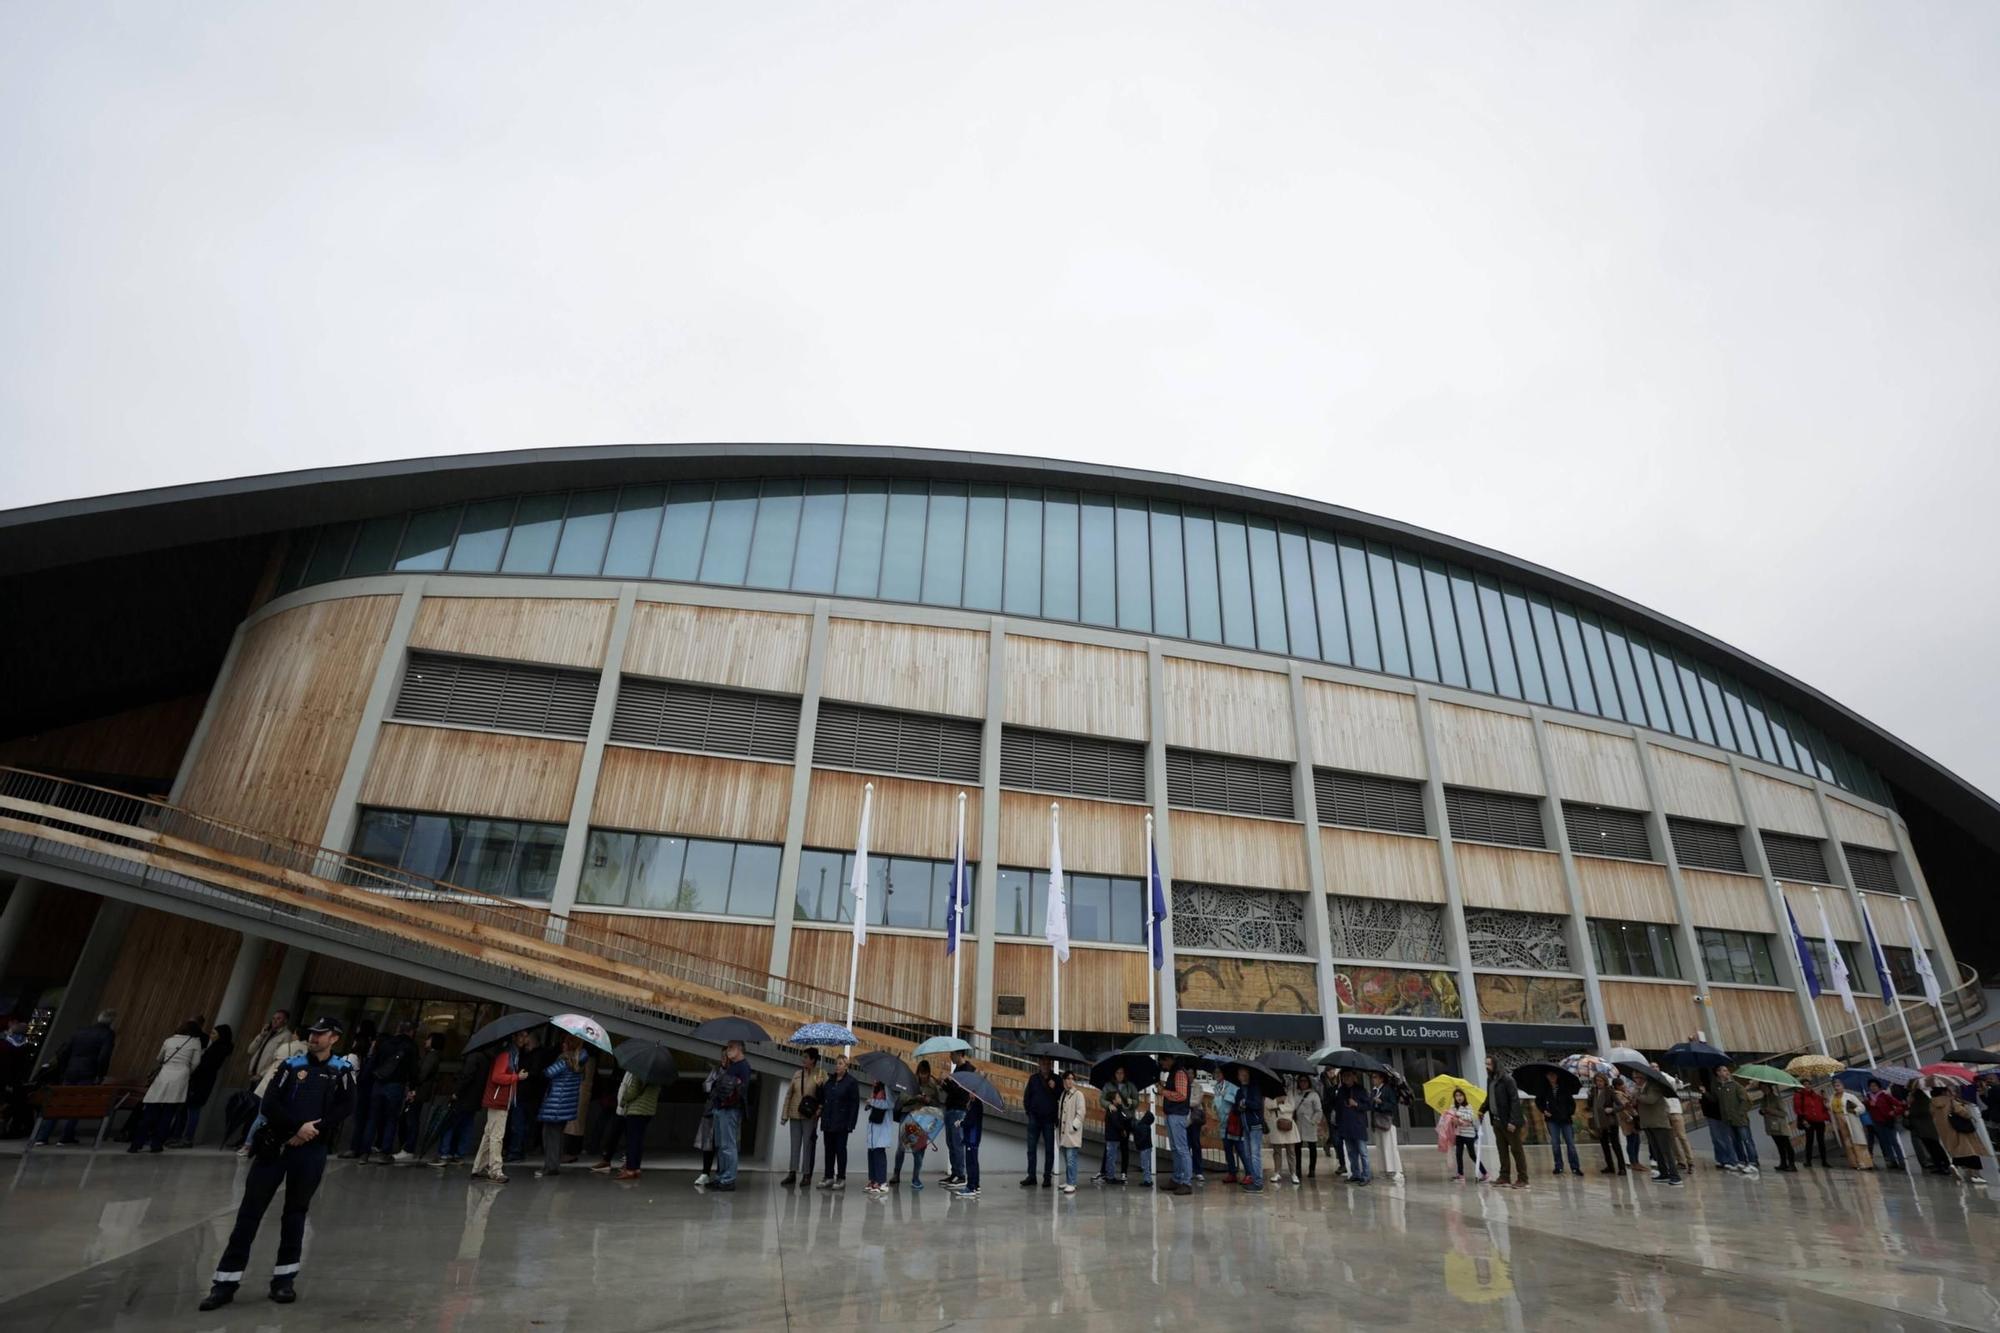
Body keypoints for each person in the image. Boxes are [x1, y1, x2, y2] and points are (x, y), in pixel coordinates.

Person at [198, 1017, 356, 1311]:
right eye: (312, 1032)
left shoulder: (342, 1070)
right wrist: (296, 1128)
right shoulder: (290, 1066)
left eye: (321, 1034)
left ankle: (284, 1280)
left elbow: (345, 1107)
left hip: (311, 1150)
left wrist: (313, 1130)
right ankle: (225, 1283)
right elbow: (269, 1103)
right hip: (276, 1145)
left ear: (334, 1038)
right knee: (249, 1213)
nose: (314, 1037)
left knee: (295, 1213)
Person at [33, 1008, 116, 1145]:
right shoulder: (107, 1034)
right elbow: (104, 1057)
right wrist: (100, 1074)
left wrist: (64, 1068)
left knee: (59, 1102)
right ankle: (66, 1136)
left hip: (71, 1070)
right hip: (88, 1071)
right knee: (78, 1104)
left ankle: (42, 1136)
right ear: (112, 1021)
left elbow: (65, 1051)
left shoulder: (80, 1031)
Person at [130, 1020, 205, 1153]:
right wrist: (187, 1071)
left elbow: (159, 1058)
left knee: (149, 1112)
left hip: (163, 1076)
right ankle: (156, 1144)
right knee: (168, 1113)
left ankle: (136, 1144)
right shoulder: (195, 1042)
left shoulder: (169, 1040)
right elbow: (195, 1062)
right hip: (180, 1077)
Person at [351, 1020, 417, 1164]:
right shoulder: (410, 1047)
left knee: (372, 1118)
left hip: (378, 1084)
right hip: (396, 1085)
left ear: (398, 1029)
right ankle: (384, 1153)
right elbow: (413, 1069)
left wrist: (364, 1080)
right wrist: (412, 1088)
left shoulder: (385, 1043)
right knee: (391, 1119)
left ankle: (364, 1153)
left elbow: (373, 1063)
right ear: (411, 1032)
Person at [236, 1024, 308, 1156]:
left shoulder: (286, 1047)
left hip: (272, 1083)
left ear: (297, 1034)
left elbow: (273, 1059)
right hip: (291, 1088)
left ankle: (248, 1145)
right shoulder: (308, 1052)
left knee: (261, 1116)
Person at [174, 1023, 234, 1147]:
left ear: (221, 1036)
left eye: (213, 1033)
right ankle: (181, 1136)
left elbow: (205, 1067)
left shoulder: (216, 1050)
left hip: (200, 1082)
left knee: (192, 1110)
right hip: (204, 1082)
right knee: (191, 1109)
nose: (211, 1036)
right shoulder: (219, 1048)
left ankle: (186, 1138)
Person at [536, 1035, 587, 1178]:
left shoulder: (564, 1060)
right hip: (567, 1106)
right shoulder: (580, 1062)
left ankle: (550, 1168)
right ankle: (554, 1164)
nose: (562, 1044)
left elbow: (547, 1073)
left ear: (569, 1045)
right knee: (558, 1137)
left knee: (549, 1136)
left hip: (555, 1104)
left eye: (564, 1042)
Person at [707, 1038, 753, 1190]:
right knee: (721, 1145)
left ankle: (728, 1179)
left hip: (730, 1109)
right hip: (721, 1108)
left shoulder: (743, 1066)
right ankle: (721, 1177)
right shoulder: (732, 1065)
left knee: (728, 1145)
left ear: (740, 1048)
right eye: (728, 1047)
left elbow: (741, 1090)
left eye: (731, 1047)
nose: (728, 1049)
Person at [432, 1048, 487, 1166]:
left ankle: (444, 1154)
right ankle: (459, 1155)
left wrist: (456, 1091)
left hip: (464, 1098)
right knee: (466, 1127)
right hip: (475, 1100)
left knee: (449, 1125)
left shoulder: (473, 1057)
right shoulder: (485, 1059)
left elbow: (467, 1076)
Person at [780, 1047, 826, 1187]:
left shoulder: (821, 1074)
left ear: (812, 1059)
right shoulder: (797, 1074)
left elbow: (825, 1096)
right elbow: (789, 1095)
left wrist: (820, 1108)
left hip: (809, 1116)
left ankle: (806, 1174)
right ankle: (792, 1172)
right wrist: (784, 1114)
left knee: (807, 1145)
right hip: (795, 1113)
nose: (803, 1059)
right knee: (795, 1145)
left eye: (806, 1057)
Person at [892, 1059, 942, 1186]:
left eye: (926, 1074)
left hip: (923, 1119)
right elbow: (902, 1098)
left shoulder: (932, 1086)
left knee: (919, 1149)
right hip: (908, 1114)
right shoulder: (910, 1081)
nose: (923, 1077)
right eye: (921, 1073)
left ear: (929, 1073)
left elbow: (938, 1104)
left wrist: (929, 1100)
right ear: (918, 1072)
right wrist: (916, 1097)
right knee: (901, 1146)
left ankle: (916, 1178)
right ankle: (896, 1174)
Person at [398, 1032, 445, 1163]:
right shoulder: (433, 1056)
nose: (426, 1041)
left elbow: (422, 1074)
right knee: (411, 1118)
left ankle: (408, 1148)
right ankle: (407, 1147)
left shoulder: (431, 1056)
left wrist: (413, 1089)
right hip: (421, 1091)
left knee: (412, 1119)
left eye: (429, 1039)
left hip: (419, 1091)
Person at [610, 1066, 660, 1181]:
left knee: (632, 1141)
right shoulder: (658, 1073)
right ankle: (636, 1168)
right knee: (638, 1140)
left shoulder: (641, 1070)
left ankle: (630, 1169)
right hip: (648, 1111)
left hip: (636, 1110)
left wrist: (623, 1100)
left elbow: (633, 1091)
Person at [1484, 1055, 1527, 1189]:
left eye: (1489, 1064)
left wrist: (1513, 1121)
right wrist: (1481, 1110)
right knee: (1502, 1150)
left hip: (1509, 1122)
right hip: (1496, 1121)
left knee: (1516, 1150)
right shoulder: (1490, 1080)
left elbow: (1514, 1101)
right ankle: (1504, 1176)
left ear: (1496, 1065)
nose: (1487, 1067)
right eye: (1486, 1064)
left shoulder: (1507, 1080)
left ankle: (1523, 1178)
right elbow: (1489, 1098)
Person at [818, 1053, 859, 1190]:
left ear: (846, 1067)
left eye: (841, 1063)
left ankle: (841, 1178)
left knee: (840, 1150)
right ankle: (828, 1176)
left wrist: (851, 1123)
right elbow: (823, 1098)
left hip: (842, 1122)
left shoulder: (851, 1082)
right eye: (837, 1063)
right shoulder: (829, 1080)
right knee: (828, 1150)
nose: (837, 1066)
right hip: (828, 1121)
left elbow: (854, 1104)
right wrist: (819, 1086)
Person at [1931, 1084, 1988, 1180]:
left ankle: (1955, 1166)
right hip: (1959, 1129)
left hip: (1945, 1131)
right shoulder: (1951, 1101)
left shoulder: (1932, 1104)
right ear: (1944, 1092)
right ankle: (1975, 1175)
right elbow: (1964, 1113)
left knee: (1958, 1151)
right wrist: (1965, 1107)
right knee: (1970, 1151)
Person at [1636, 1074, 1683, 1186]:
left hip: (1659, 1123)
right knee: (1657, 1150)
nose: (1636, 1080)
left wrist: (1637, 1095)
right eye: (1634, 1078)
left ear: (1643, 1078)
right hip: (1648, 1123)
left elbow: (1650, 1100)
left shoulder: (1654, 1087)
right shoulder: (1641, 1089)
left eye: (1637, 1077)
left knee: (1666, 1150)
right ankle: (1663, 1173)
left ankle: (1675, 1175)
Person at [1099, 1065, 1142, 1184]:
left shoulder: (1130, 1086)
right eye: (1117, 1073)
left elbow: (1137, 1101)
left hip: (1126, 1118)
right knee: (1109, 1146)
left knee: (1124, 1146)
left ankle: (1124, 1172)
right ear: (1114, 1074)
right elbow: (1102, 1099)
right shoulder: (1108, 1085)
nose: (1120, 1075)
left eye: (1122, 1073)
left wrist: (1131, 1101)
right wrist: (1109, 1105)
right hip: (1114, 1118)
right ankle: (1105, 1172)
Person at [1534, 1070, 1582, 1176]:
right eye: (1549, 1075)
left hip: (1566, 1120)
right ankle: (1558, 1166)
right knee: (1555, 1144)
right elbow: (1538, 1102)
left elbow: (1572, 1104)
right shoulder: (1544, 1089)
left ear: (1557, 1076)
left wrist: (1567, 1113)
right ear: (1546, 1076)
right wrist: (1544, 1111)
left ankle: (1575, 1167)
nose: (1552, 1077)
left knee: (1570, 1144)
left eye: (1553, 1075)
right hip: (1552, 1120)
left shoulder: (1564, 1088)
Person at [1022, 1055, 1059, 1188]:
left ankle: (1047, 1177)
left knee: (1049, 1149)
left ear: (1051, 1065)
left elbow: (1060, 1096)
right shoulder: (1033, 1079)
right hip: (1034, 1119)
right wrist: (1029, 1112)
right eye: (1043, 1063)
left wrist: (1055, 1088)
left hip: (1049, 1119)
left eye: (1048, 1064)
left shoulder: (1056, 1079)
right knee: (1031, 1149)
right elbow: (1027, 1097)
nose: (1045, 1066)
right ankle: (1031, 1176)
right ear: (1039, 1065)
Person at [1161, 1053, 1195, 1195]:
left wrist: (1164, 1092)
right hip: (1171, 1114)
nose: (1162, 1065)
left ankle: (1186, 1182)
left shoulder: (1180, 1073)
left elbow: (1181, 1095)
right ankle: (1177, 1178)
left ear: (1169, 1060)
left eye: (1162, 1062)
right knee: (1175, 1148)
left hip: (1178, 1114)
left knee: (1182, 1149)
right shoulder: (1173, 1073)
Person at [1713, 1066, 1758, 1175]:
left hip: (1740, 1119)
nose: (1723, 1073)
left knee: (1746, 1140)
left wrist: (1740, 1113)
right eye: (1720, 1071)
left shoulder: (1736, 1086)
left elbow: (1746, 1101)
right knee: (1736, 1141)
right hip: (1729, 1120)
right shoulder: (1720, 1088)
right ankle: (1741, 1160)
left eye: (1725, 1070)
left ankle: (1752, 1162)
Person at [1331, 1069, 1371, 1185]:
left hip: (1358, 1125)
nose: (1346, 1078)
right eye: (1344, 1076)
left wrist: (1356, 1104)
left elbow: (1368, 1105)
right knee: (1351, 1152)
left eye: (1348, 1076)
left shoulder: (1360, 1090)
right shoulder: (1341, 1090)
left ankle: (1366, 1175)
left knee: (1363, 1152)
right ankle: (1355, 1174)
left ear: (1353, 1077)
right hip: (1345, 1125)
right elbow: (1337, 1107)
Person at [952, 1061, 984, 1199]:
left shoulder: (976, 1104)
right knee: (973, 1161)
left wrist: (961, 1123)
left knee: (971, 1162)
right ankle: (975, 1185)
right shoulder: (973, 1103)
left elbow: (971, 1121)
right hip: (972, 1137)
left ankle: (971, 1186)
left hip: (972, 1137)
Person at [1234, 1066, 1267, 1192]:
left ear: (1248, 1075)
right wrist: (1239, 1107)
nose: (1242, 1076)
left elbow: (1257, 1104)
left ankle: (1258, 1182)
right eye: (1240, 1074)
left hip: (1255, 1125)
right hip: (1245, 1126)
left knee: (1255, 1154)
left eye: (1244, 1074)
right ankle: (1253, 1179)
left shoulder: (1255, 1088)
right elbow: (1236, 1108)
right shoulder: (1239, 1091)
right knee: (1247, 1155)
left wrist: (1246, 1103)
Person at [1863, 1079, 1908, 1171]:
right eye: (1871, 1086)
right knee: (1885, 1143)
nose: (1873, 1087)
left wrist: (1894, 1112)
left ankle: (1901, 1161)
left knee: (1894, 1142)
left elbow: (1900, 1105)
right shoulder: (1868, 1098)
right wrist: (1867, 1103)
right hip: (1877, 1123)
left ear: (1879, 1086)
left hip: (1888, 1121)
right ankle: (1892, 1161)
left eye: (1875, 1085)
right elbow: (1865, 1109)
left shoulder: (1885, 1095)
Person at [1904, 1084, 1950, 1175]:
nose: (1909, 1096)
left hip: (1927, 1128)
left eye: (1910, 1093)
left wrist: (1909, 1112)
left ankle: (1944, 1165)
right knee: (1931, 1148)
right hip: (1923, 1129)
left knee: (1935, 1147)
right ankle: (1939, 1165)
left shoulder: (1921, 1101)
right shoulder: (1916, 1101)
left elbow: (1921, 1112)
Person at [940, 1053, 971, 1187]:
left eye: (953, 1054)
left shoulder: (968, 1070)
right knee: (950, 1142)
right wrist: (943, 1083)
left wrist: (947, 1079)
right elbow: (952, 1090)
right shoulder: (957, 1070)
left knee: (957, 1143)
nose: (950, 1056)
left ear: (960, 1054)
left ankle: (961, 1175)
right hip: (950, 1109)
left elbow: (960, 1090)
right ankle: (954, 1173)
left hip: (959, 1110)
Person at [1056, 1068, 1087, 1194]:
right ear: (1064, 1080)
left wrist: (1074, 1126)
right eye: (1068, 1078)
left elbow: (1081, 1113)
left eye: (1072, 1079)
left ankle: (1072, 1183)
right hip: (1063, 1134)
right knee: (1067, 1159)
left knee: (1071, 1159)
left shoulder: (1078, 1094)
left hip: (1071, 1134)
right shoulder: (1063, 1094)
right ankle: (1068, 1181)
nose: (1070, 1081)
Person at [1369, 1070, 1403, 1184]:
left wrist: (1380, 1103)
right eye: (1372, 1077)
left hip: (1387, 1121)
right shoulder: (1374, 1091)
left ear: (1381, 1079)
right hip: (1377, 1121)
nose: (1373, 1079)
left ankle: (1395, 1170)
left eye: (1375, 1077)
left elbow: (1392, 1105)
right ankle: (1383, 1170)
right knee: (1380, 1147)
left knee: (1390, 1146)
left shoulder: (1388, 1090)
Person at [1661, 1068, 1697, 1175]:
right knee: (1672, 1139)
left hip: (1675, 1111)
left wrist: (1676, 1081)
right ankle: (1680, 1161)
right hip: (1664, 1114)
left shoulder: (1666, 1077)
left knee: (1682, 1136)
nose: (1654, 1068)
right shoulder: (1654, 1083)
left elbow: (1678, 1084)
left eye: (1656, 1067)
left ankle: (1690, 1162)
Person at [1589, 1072, 1625, 1176]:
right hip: (1599, 1122)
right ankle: (1610, 1166)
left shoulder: (1610, 1091)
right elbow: (1590, 1105)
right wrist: (1590, 1096)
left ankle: (1622, 1167)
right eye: (1597, 1081)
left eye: (1600, 1081)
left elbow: (1621, 1105)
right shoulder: (1594, 1091)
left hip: (1610, 1122)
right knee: (1604, 1145)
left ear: (1605, 1081)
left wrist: (1612, 1109)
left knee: (1615, 1144)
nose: (1599, 1083)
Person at [1267, 1079, 1301, 1185]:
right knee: (1277, 1150)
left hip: (1288, 1123)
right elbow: (1268, 1105)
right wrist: (1277, 1101)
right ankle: (1277, 1172)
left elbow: (1292, 1106)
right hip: (1275, 1123)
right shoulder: (1270, 1092)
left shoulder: (1290, 1092)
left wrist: (1279, 1107)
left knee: (1291, 1150)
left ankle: (1293, 1173)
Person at [1444, 1088, 1482, 1182]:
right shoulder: (1453, 1107)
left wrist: (1458, 1114)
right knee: (1458, 1154)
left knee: (1472, 1155)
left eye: (1460, 1095)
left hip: (1469, 1135)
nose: (1459, 1098)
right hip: (1459, 1134)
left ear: (1464, 1096)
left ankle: (1485, 1173)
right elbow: (1451, 1120)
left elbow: (1470, 1117)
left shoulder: (1468, 1106)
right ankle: (1460, 1175)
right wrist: (1453, 1119)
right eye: (1456, 1096)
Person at [1756, 1085, 1797, 1172]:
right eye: (1762, 1088)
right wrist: (1762, 1111)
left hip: (1780, 1126)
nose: (1764, 1090)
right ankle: (1783, 1163)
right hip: (1771, 1126)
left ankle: (1792, 1164)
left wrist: (1772, 1111)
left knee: (1787, 1145)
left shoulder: (1777, 1099)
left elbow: (1784, 1113)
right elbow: (1762, 1110)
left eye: (1765, 1088)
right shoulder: (1764, 1099)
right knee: (1779, 1146)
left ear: (1770, 1088)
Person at [1831, 1083, 1871, 1169]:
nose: (1836, 1087)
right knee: (1847, 1142)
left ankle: (1864, 1163)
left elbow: (1862, 1107)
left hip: (1851, 1119)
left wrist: (1854, 1110)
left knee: (1857, 1140)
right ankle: (1854, 1163)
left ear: (1843, 1086)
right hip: (1840, 1121)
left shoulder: (1849, 1096)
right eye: (1835, 1086)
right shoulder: (1832, 1098)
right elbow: (1832, 1109)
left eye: (1838, 1085)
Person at [1792, 1081, 1832, 1169]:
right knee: (1809, 1141)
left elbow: (1823, 1107)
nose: (1807, 1086)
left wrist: (1825, 1099)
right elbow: (1797, 1109)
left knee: (1821, 1141)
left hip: (1819, 1121)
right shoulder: (1799, 1096)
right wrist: (1803, 1120)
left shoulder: (1817, 1096)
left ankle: (1824, 1160)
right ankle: (1808, 1161)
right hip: (1808, 1121)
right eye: (1805, 1084)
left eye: (1809, 1084)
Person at [1292, 1074, 1324, 1181]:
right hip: (1298, 1123)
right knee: (1297, 1148)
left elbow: (1318, 1110)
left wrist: (1313, 1121)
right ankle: (1298, 1169)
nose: (1303, 1083)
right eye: (1301, 1081)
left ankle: (1312, 1169)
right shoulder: (1296, 1094)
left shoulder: (1314, 1095)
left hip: (1309, 1124)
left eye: (1305, 1081)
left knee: (1312, 1147)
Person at [865, 1081, 895, 1193]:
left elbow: (890, 1104)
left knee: (879, 1152)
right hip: (873, 1124)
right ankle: (873, 1180)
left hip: (882, 1126)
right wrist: (870, 1103)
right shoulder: (876, 1087)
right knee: (871, 1152)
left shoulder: (887, 1087)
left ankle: (882, 1182)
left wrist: (873, 1102)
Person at [1216, 1073, 1244, 1184]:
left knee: (1240, 1149)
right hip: (1223, 1123)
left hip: (1233, 1122)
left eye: (1218, 1072)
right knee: (1227, 1149)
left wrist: (1225, 1096)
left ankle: (1249, 1172)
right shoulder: (1217, 1087)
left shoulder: (1233, 1086)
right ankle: (1231, 1172)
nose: (1216, 1075)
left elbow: (1236, 1101)